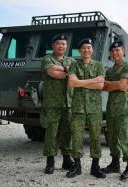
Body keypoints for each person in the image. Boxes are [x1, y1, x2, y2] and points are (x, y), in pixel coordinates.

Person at [66, 38, 106, 178]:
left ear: (92, 50)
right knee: (76, 137)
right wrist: (92, 80)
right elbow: (72, 83)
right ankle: (77, 166)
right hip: (78, 108)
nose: (86, 50)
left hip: (94, 108)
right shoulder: (74, 65)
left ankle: (95, 167)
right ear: (79, 50)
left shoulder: (99, 66)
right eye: (83, 48)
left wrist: (80, 82)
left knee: (95, 137)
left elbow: (100, 86)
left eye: (89, 47)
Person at [41, 34, 76, 174]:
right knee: (51, 133)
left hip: (68, 103)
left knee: (67, 133)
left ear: (66, 46)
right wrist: (68, 70)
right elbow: (52, 72)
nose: (61, 46)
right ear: (53, 45)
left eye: (63, 43)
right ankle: (50, 162)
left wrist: (64, 70)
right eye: (58, 43)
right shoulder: (47, 59)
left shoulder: (71, 60)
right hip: (53, 104)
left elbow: (74, 76)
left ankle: (67, 160)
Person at [102, 40, 128, 181]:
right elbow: (103, 87)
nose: (115, 53)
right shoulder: (110, 70)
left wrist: (110, 85)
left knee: (125, 137)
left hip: (123, 109)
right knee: (112, 138)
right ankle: (115, 164)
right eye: (112, 51)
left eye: (118, 50)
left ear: (123, 52)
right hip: (111, 109)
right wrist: (111, 85)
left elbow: (122, 85)